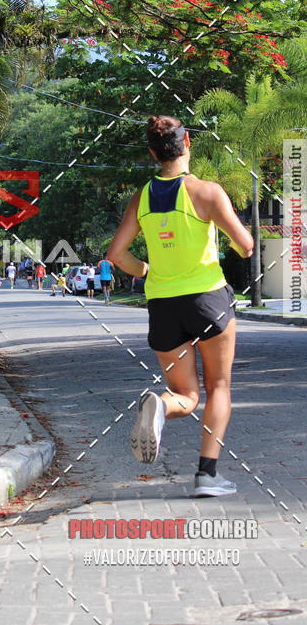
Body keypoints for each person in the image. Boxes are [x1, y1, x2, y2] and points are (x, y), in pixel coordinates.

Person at [107, 115, 253, 498]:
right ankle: (207, 476)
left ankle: (161, 405)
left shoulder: (141, 198)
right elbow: (246, 246)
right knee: (219, 386)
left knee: (185, 396)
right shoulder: (207, 192)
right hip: (209, 301)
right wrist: (231, 241)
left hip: (163, 306)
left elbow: (116, 255)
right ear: (187, 142)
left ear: (153, 153)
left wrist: (146, 270)